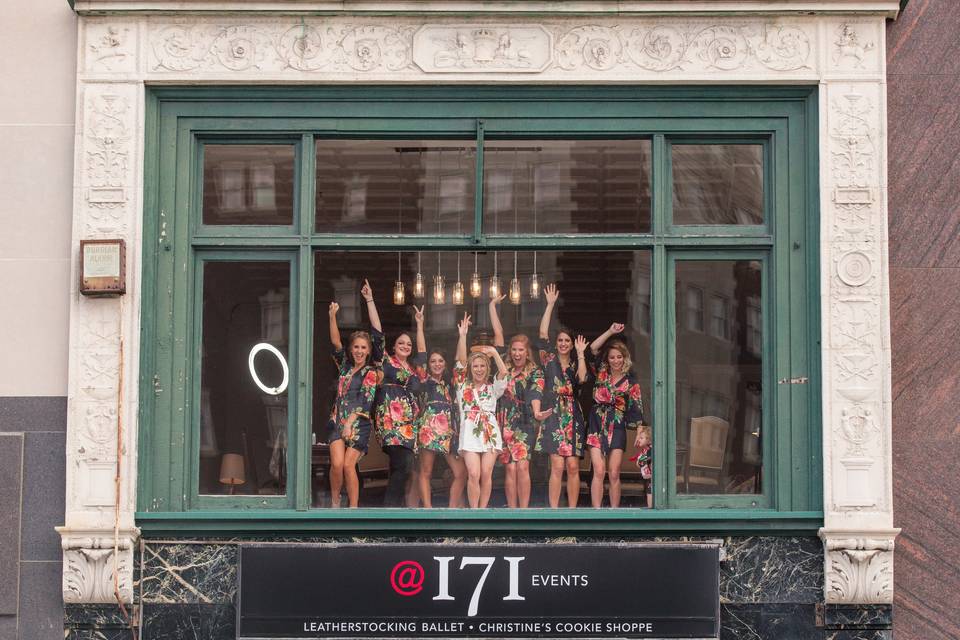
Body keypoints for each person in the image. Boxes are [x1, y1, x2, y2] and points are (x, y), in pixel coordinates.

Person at [489, 295, 551, 509]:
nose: (516, 353)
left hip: (524, 422)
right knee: (509, 468)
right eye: (514, 349)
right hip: (504, 420)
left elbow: (536, 392)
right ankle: (512, 511)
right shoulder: (503, 365)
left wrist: (536, 412)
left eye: (520, 350)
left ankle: (523, 512)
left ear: (527, 352)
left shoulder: (534, 371)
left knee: (522, 467)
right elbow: (498, 336)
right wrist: (491, 307)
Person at [365, 281, 420, 508]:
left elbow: (425, 356)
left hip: (409, 424)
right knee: (403, 464)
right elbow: (377, 333)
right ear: (394, 346)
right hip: (390, 420)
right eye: (401, 343)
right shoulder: (386, 362)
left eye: (408, 344)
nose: (405, 346)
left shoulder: (413, 370)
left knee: (403, 468)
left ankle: (395, 508)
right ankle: (389, 509)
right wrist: (370, 300)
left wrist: (420, 324)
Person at [326, 288, 381, 508]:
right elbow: (336, 341)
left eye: (363, 348)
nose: (359, 351)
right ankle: (335, 502)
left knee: (349, 465)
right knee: (337, 464)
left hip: (359, 423)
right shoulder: (345, 367)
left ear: (368, 351)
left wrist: (349, 424)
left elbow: (365, 402)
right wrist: (332, 316)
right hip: (337, 420)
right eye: (356, 347)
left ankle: (353, 508)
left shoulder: (370, 372)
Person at [537, 283, 589, 508]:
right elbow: (541, 334)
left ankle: (572, 511)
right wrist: (549, 305)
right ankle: (554, 511)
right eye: (560, 341)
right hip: (555, 415)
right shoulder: (549, 360)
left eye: (567, 341)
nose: (563, 344)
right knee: (557, 467)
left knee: (573, 467)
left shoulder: (577, 363)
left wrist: (581, 353)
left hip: (573, 416)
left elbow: (583, 380)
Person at [411, 305, 467, 508]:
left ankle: (452, 510)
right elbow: (421, 353)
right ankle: (428, 510)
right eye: (433, 361)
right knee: (425, 471)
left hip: (449, 432)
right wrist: (419, 324)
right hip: (428, 429)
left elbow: (462, 363)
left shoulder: (451, 383)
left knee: (461, 472)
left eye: (440, 361)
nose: (436, 364)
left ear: (445, 363)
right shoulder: (425, 379)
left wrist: (462, 336)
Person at [585, 323, 645, 508]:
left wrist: (641, 432)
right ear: (608, 359)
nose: (616, 360)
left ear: (624, 358)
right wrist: (610, 331)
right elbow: (592, 349)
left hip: (617, 426)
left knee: (614, 472)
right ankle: (596, 513)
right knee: (599, 470)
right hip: (596, 424)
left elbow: (637, 410)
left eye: (619, 356)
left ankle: (614, 513)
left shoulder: (631, 382)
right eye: (612, 357)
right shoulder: (600, 372)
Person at [454, 313, 508, 509]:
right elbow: (460, 363)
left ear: (487, 368)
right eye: (475, 366)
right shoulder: (463, 386)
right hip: (469, 432)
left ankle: (483, 512)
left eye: (482, 366)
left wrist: (493, 353)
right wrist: (463, 336)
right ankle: (473, 512)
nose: (478, 369)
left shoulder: (493, 388)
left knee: (486, 473)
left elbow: (503, 373)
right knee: (474, 474)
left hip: (490, 433)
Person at [630, 425, 653, 508]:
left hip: (653, 478)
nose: (639, 440)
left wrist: (640, 461)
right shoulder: (645, 450)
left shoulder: (650, 450)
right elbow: (639, 463)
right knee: (649, 493)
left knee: (650, 493)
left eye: (641, 438)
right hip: (649, 478)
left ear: (649, 440)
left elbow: (641, 462)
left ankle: (651, 510)